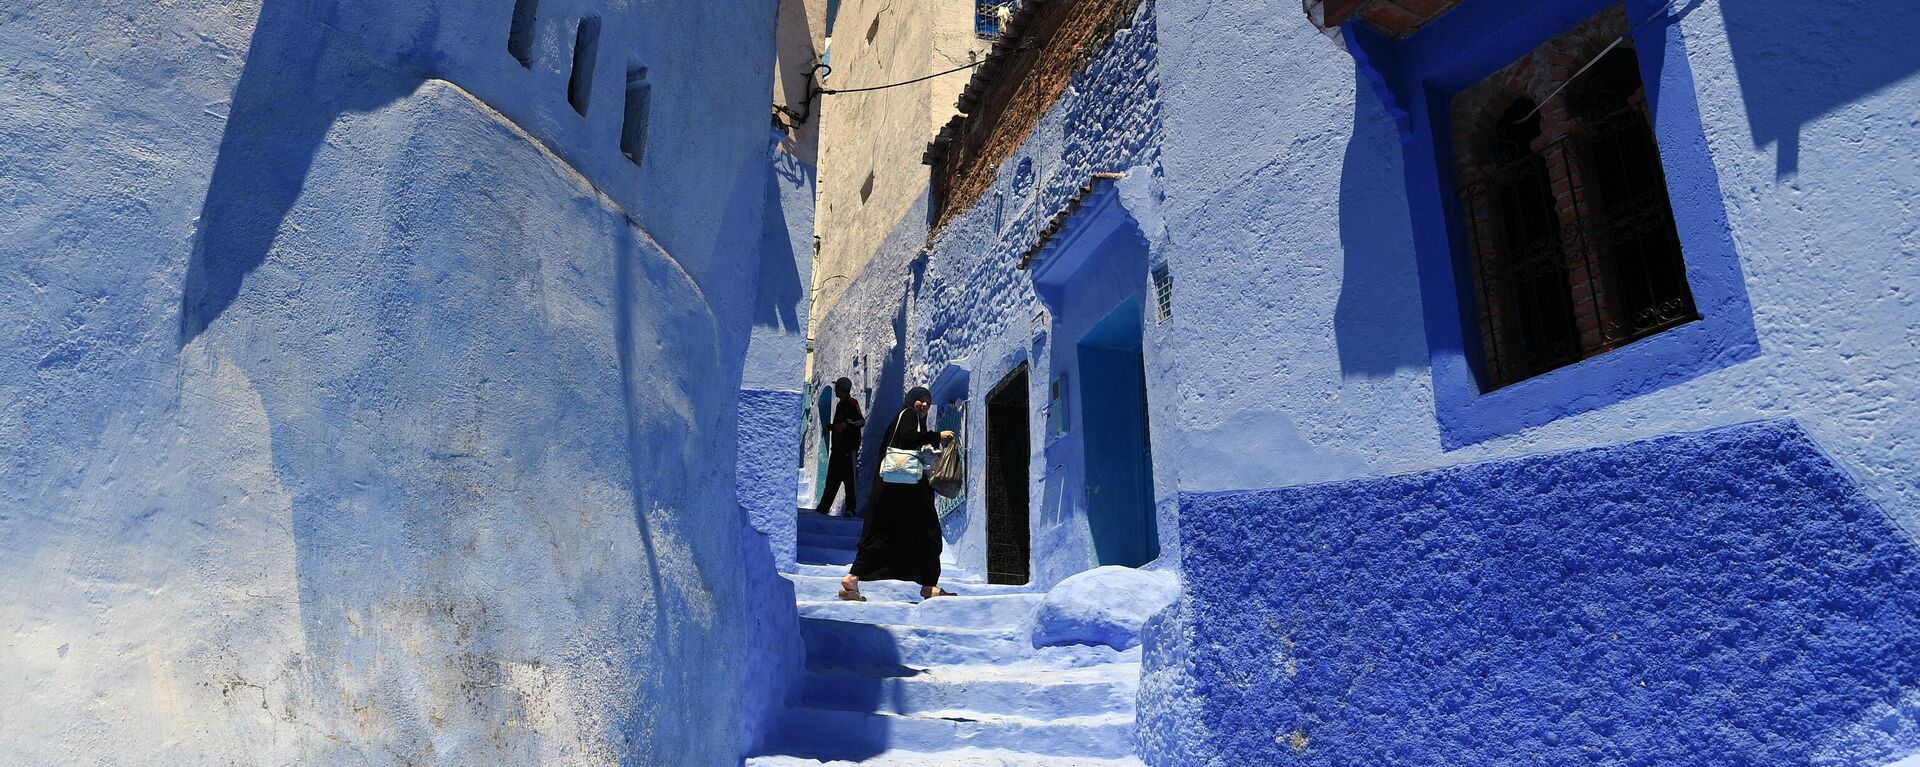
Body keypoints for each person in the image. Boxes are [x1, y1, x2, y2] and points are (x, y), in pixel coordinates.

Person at [839, 386, 955, 601]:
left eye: (928, 401)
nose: (924, 404)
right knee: (928, 533)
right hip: (906, 491)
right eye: (920, 400)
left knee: (883, 535)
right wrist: (937, 435)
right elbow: (909, 438)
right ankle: (929, 585)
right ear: (911, 400)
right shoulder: (908, 414)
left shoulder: (909, 418)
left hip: (894, 491)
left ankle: (853, 579)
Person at [814, 377, 865, 517]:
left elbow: (861, 421)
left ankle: (850, 509)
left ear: (842, 389)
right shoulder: (839, 405)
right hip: (837, 450)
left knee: (850, 482)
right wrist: (831, 427)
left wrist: (848, 424)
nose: (835, 390)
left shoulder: (852, 403)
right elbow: (839, 424)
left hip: (848, 450)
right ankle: (823, 508)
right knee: (831, 480)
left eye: (837, 388)